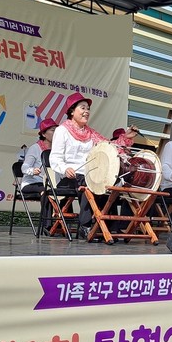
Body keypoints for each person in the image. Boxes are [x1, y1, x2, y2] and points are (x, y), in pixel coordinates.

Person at [49, 92, 137, 240]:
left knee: (110, 183)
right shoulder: (62, 130)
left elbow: (108, 145)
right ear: (72, 111)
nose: (86, 111)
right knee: (89, 183)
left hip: (88, 174)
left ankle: (108, 227)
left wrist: (125, 138)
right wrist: (65, 169)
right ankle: (85, 226)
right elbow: (55, 157)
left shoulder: (90, 133)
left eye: (88, 108)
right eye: (82, 108)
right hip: (69, 176)